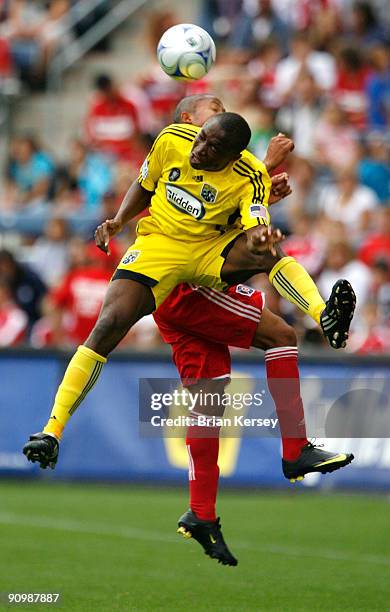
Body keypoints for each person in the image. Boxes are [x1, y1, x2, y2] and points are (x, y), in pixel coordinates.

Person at [23, 99, 356, 554]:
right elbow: (149, 185)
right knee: (276, 335)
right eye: (206, 121)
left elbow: (247, 215)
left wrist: (261, 213)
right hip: (170, 270)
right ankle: (53, 429)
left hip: (203, 264)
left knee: (209, 396)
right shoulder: (173, 141)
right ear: (188, 120)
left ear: (232, 153)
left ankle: (201, 512)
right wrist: (119, 221)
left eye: (214, 140)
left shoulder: (247, 176)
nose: (201, 147)